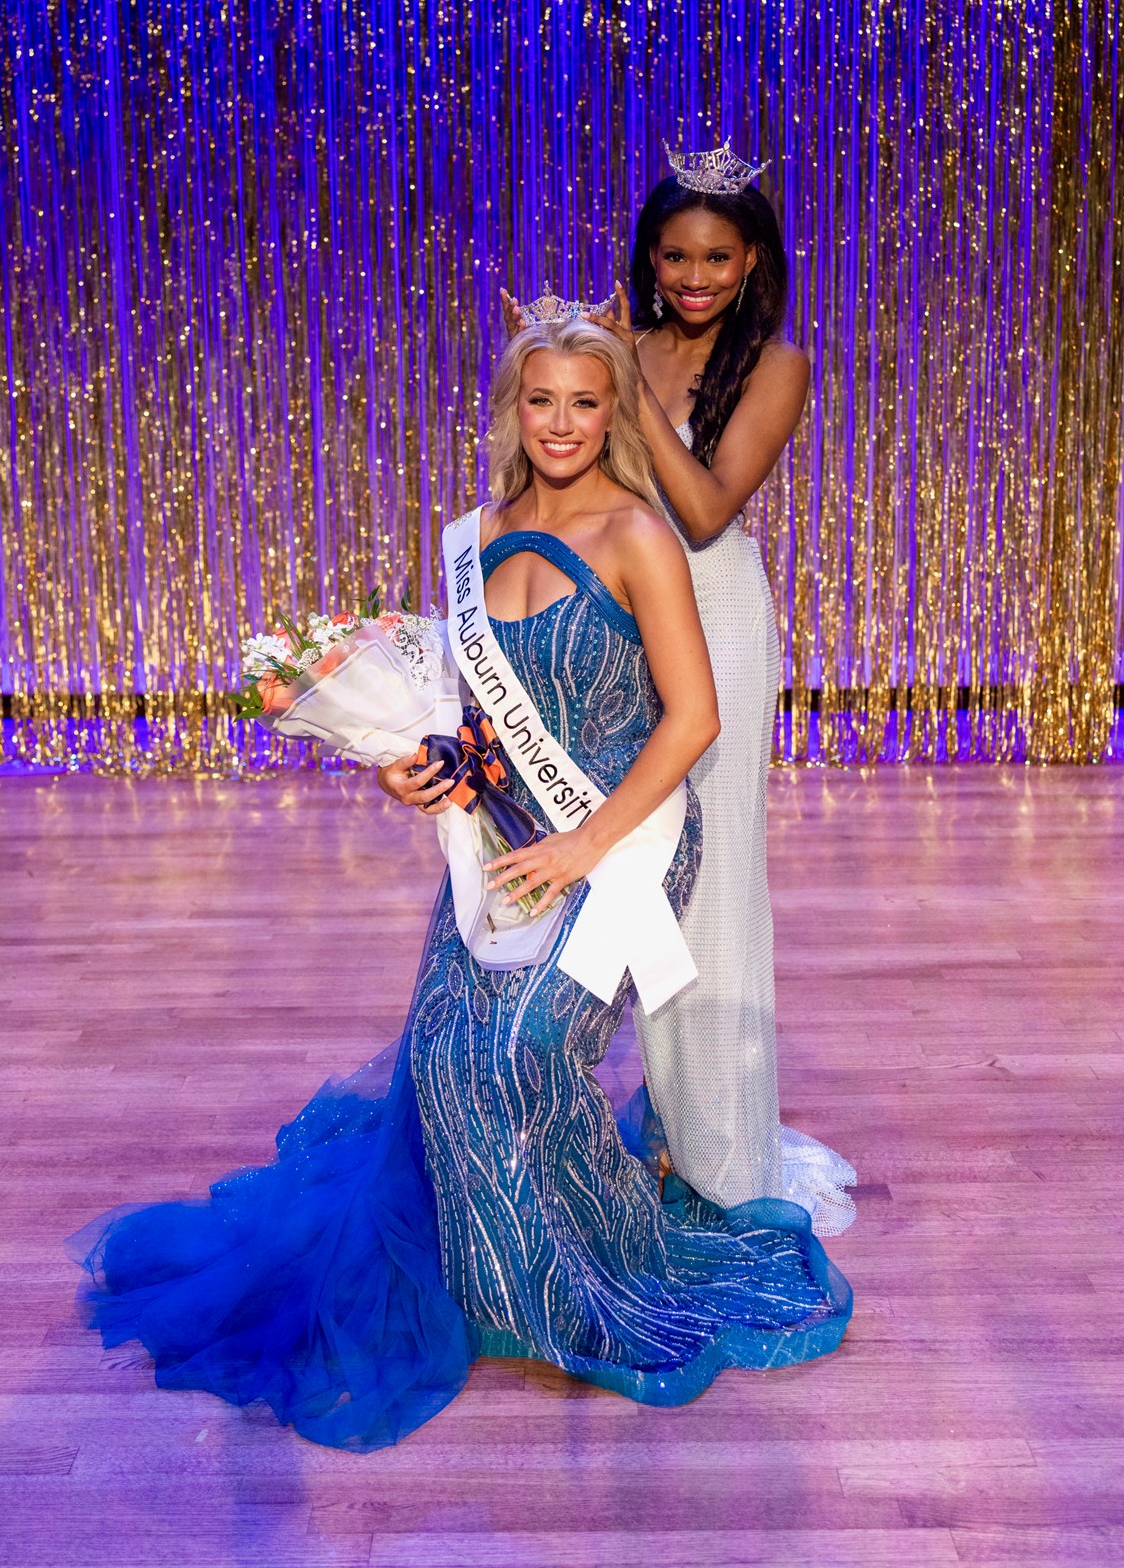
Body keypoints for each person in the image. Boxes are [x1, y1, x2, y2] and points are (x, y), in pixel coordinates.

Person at [68, 313, 851, 1453]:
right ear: (513, 408)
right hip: (501, 835)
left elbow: (693, 721)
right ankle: (495, 1285)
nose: (566, 423)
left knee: (521, 1051)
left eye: (590, 401)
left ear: (614, 408)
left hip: (620, 840)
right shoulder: (472, 537)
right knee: (443, 1058)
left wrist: (586, 848)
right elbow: (473, 725)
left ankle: (592, 1270)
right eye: (546, 401)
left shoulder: (639, 532)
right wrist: (417, 771)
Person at [501, 140, 856, 1229]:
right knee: (623, 864)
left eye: (714, 257)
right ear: (648, 258)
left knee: (710, 878)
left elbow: (703, 510)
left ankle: (720, 1149)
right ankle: (654, 1124)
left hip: (716, 611)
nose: (692, 277)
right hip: (617, 609)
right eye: (672, 257)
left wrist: (627, 380)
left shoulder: (777, 366)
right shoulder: (623, 345)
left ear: (751, 261)